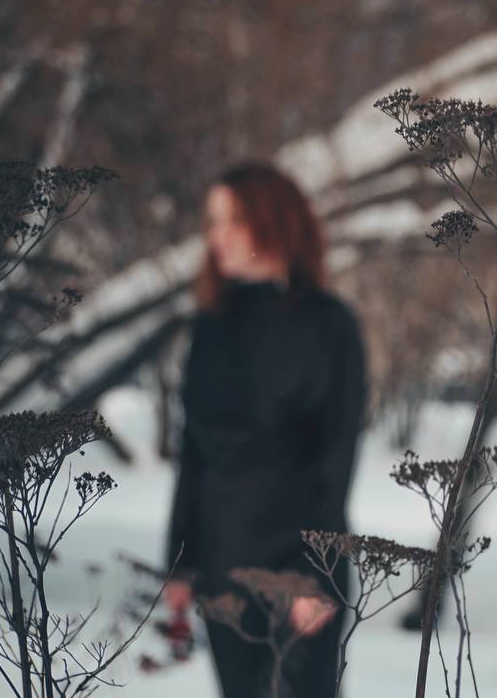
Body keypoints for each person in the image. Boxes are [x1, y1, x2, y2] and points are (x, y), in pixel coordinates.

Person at [163, 161, 367, 698]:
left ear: (273, 221)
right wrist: (180, 565)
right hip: (221, 572)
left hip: (297, 572)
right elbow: (194, 454)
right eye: (211, 222)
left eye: (231, 220)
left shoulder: (330, 325)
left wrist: (316, 579)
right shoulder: (209, 325)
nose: (216, 236)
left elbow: (335, 459)